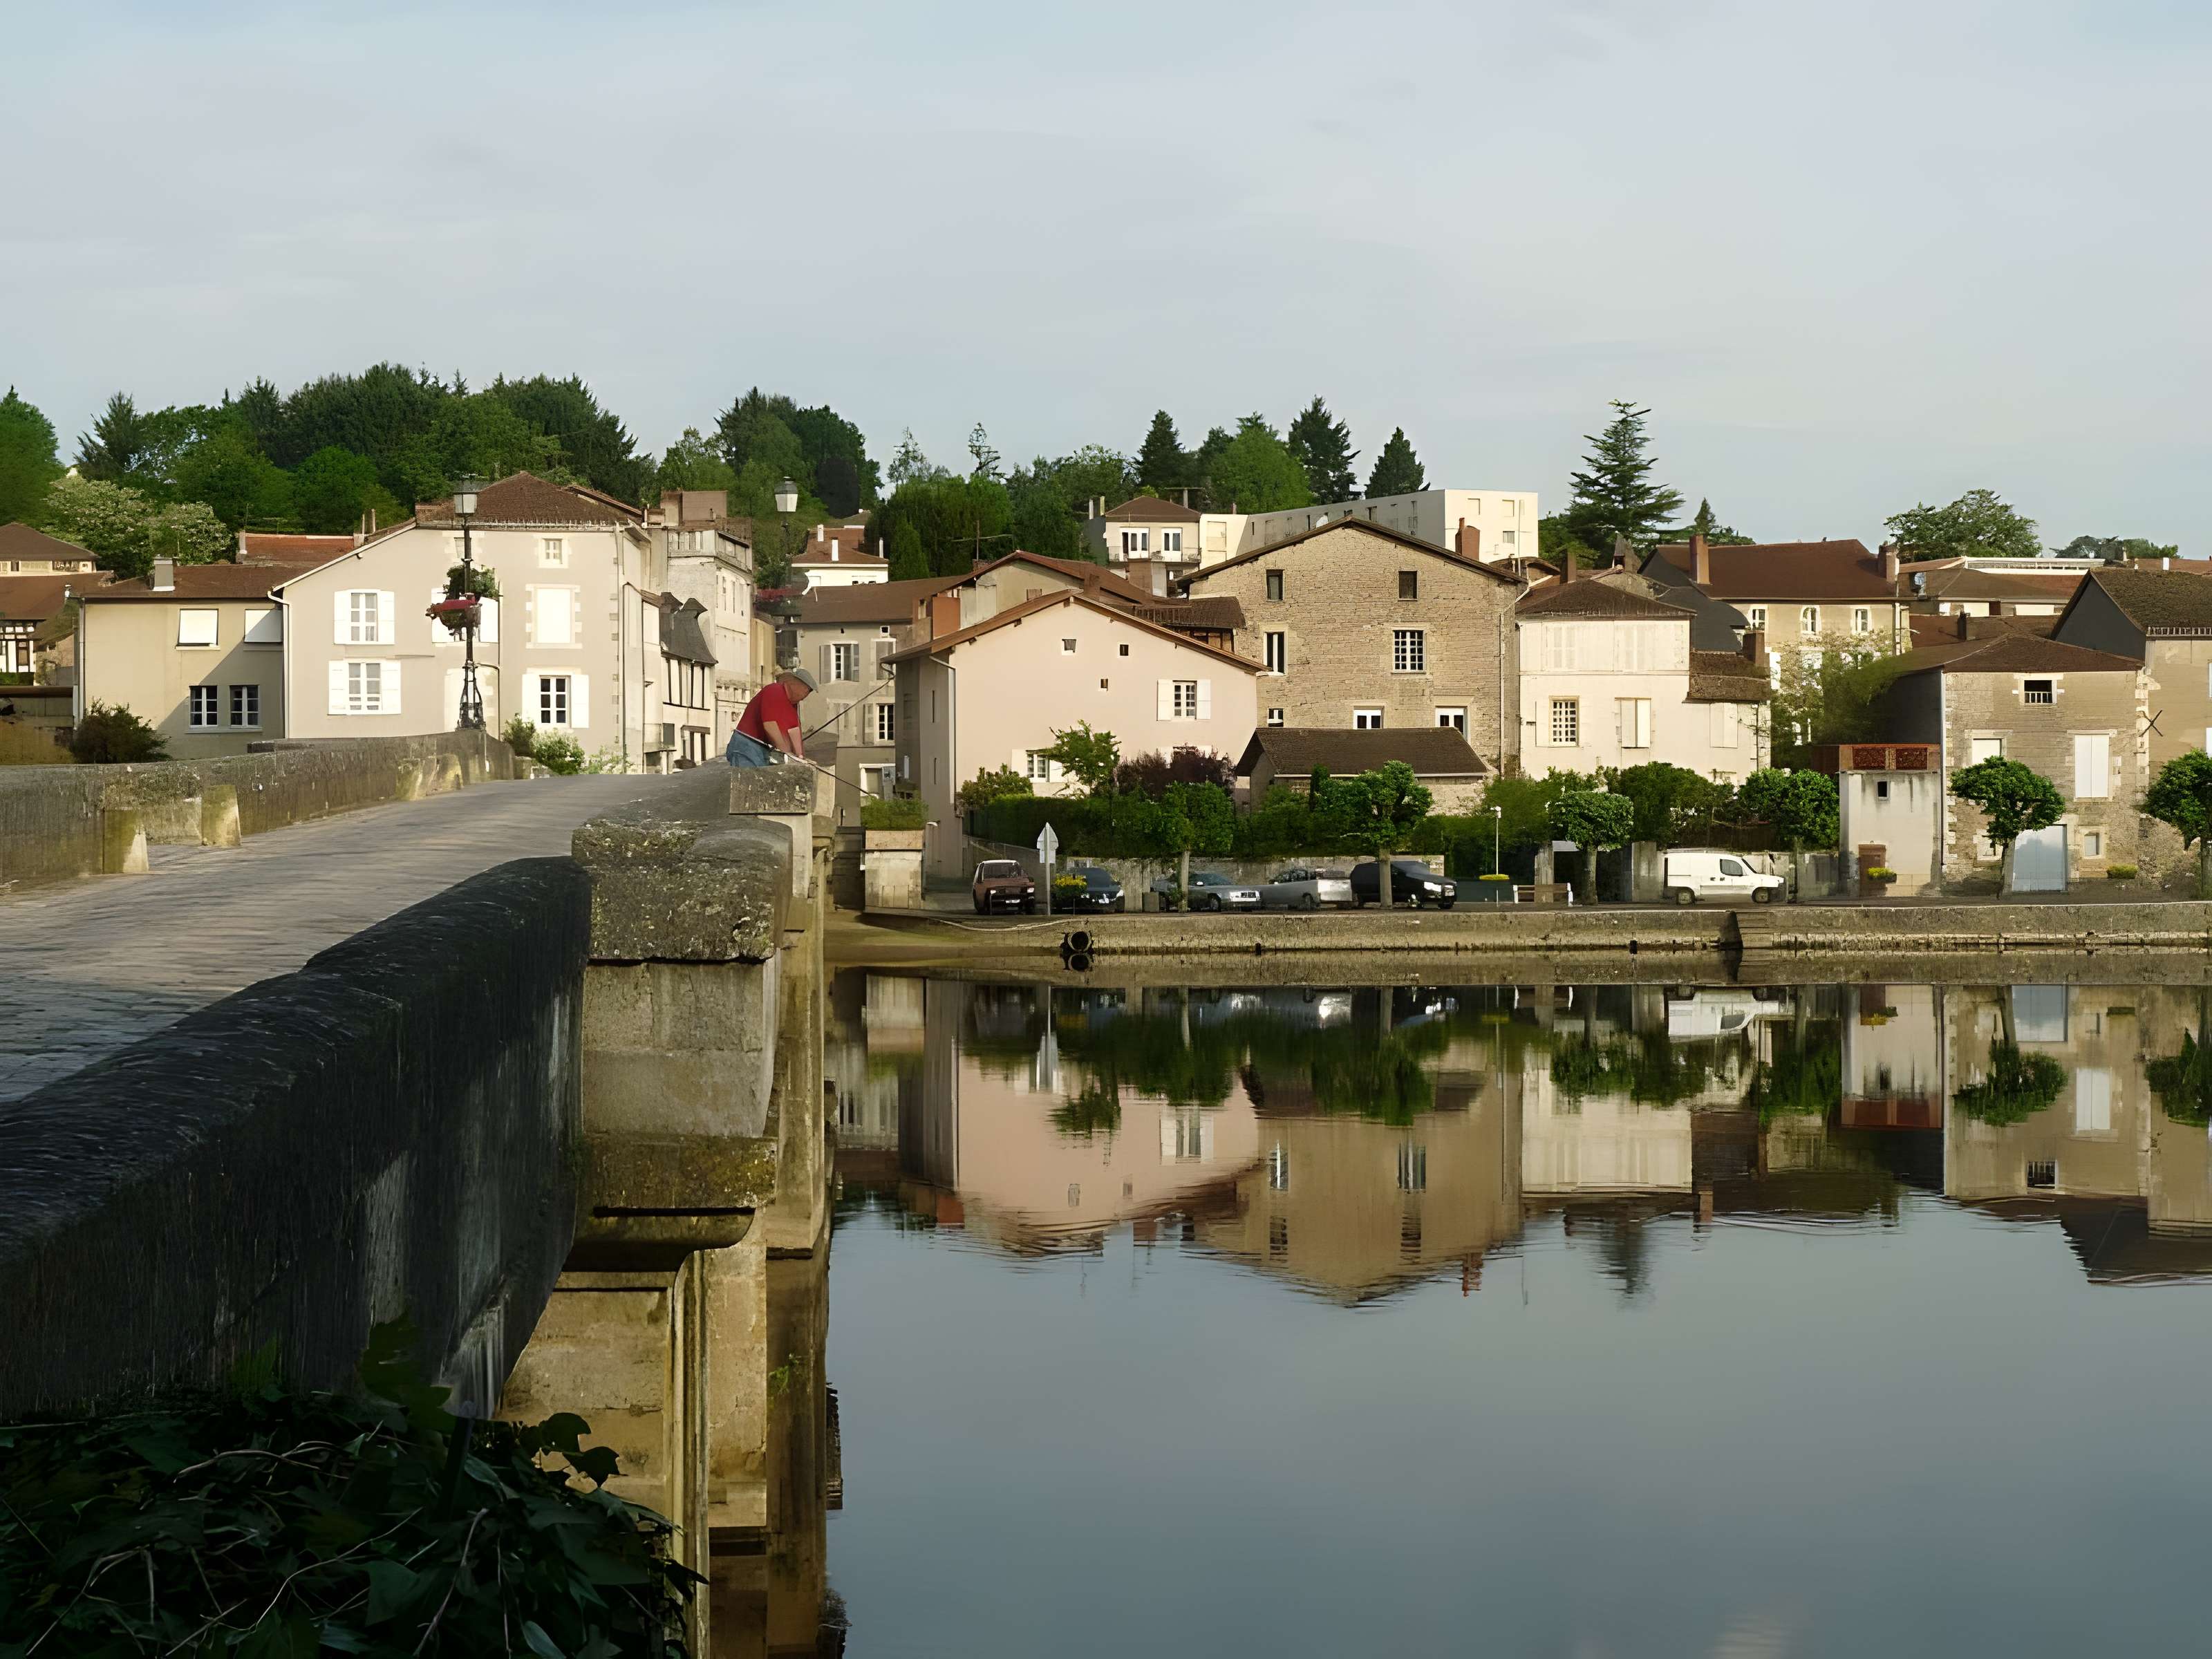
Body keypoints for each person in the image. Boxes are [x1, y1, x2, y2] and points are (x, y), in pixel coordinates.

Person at [727, 667, 816, 767]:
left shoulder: (793, 705)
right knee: (749, 779)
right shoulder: (774, 691)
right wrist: (788, 753)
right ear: (794, 684)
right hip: (746, 744)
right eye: (807, 689)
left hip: (762, 748)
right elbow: (770, 726)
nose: (807, 694)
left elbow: (794, 730)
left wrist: (800, 757)